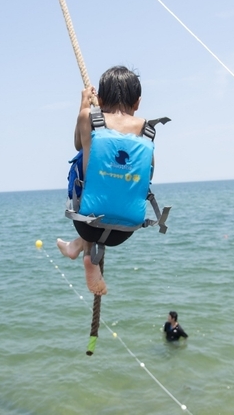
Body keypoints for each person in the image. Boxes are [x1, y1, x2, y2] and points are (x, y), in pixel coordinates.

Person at [57, 66, 154, 296]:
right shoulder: (148, 129)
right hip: (125, 230)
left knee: (86, 165)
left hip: (86, 223)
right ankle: (76, 247)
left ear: (99, 99)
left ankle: (87, 254)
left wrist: (83, 104)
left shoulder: (89, 117)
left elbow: (78, 144)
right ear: (137, 103)